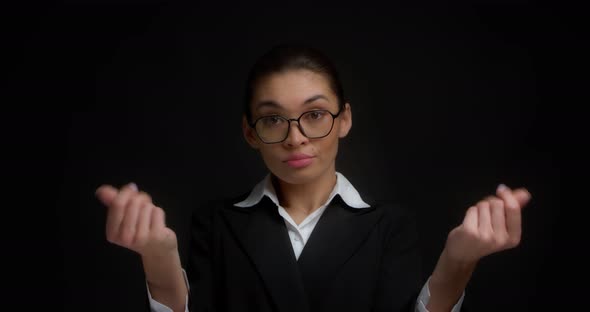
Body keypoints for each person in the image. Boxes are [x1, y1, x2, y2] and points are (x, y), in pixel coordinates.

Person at [95, 44, 532, 312]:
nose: (295, 138)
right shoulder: (216, 223)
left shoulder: (389, 227)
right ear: (250, 133)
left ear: (344, 120)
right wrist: (159, 261)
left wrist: (457, 263)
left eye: (315, 115)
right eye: (273, 120)